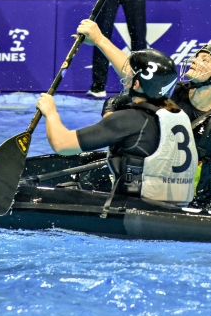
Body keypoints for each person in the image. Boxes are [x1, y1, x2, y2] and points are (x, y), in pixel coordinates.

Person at [76, 19, 211, 219]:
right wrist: (99, 40)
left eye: (205, 60)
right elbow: (131, 79)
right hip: (161, 187)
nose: (195, 60)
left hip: (207, 202)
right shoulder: (173, 94)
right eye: (197, 56)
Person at [35, 49, 198, 206]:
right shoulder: (178, 113)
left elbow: (62, 145)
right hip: (177, 204)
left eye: (131, 74)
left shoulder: (130, 119)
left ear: (137, 84)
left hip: (136, 209)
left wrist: (51, 112)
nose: (126, 76)